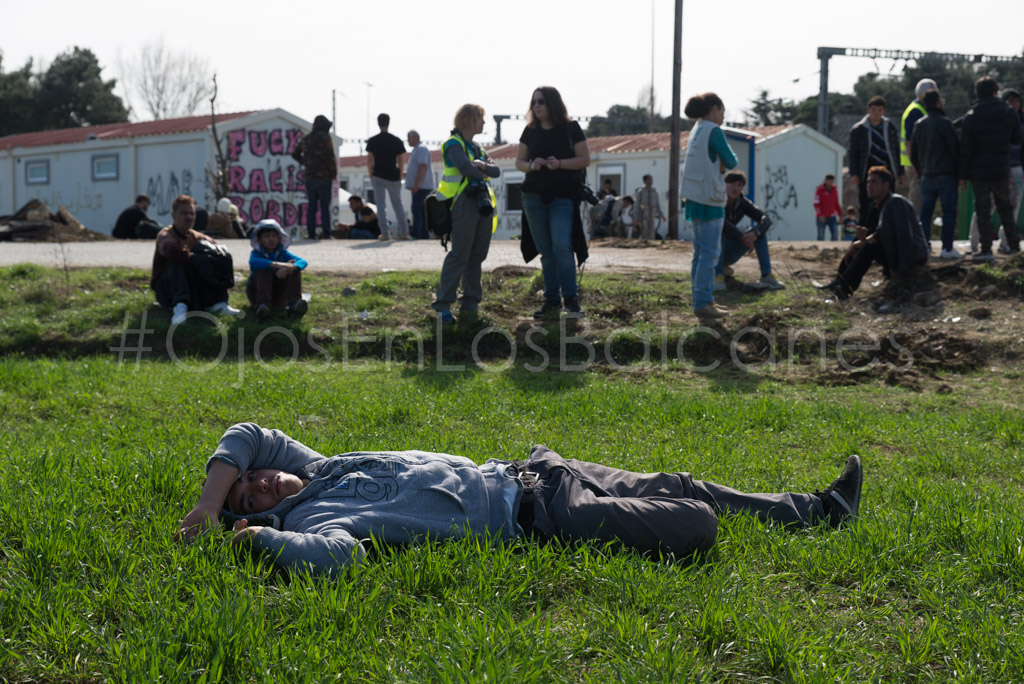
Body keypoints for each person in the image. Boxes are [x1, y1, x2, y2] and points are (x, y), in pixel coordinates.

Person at [176, 422, 864, 575]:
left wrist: (211, 503)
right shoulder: (320, 515)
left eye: (254, 477)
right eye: (252, 498)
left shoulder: (320, 468)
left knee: (683, 482)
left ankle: (815, 510)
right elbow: (335, 558)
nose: (261, 485)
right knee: (695, 522)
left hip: (531, 470)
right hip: (536, 516)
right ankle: (715, 521)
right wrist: (260, 538)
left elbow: (248, 432)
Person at [516, 86, 591, 319]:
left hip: (562, 196)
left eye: (541, 102)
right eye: (534, 102)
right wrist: (532, 165)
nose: (536, 106)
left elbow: (584, 159)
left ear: (553, 103)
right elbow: (519, 162)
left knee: (562, 246)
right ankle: (551, 300)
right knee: (546, 251)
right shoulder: (530, 130)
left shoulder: (571, 128)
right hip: (533, 197)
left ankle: (571, 301)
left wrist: (559, 163)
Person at [431, 104, 500, 324]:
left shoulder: (477, 147)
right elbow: (466, 169)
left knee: (477, 255)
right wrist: (481, 167)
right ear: (469, 120)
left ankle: (470, 302)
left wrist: (480, 165)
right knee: (460, 254)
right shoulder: (453, 144)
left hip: (482, 204)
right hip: (463, 203)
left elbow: (496, 170)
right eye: (481, 118)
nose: (484, 123)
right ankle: (443, 305)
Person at [824, 166, 930, 300]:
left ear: (886, 185)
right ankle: (839, 282)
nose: (869, 186)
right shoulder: (875, 206)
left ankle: (843, 292)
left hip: (911, 259)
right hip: (895, 254)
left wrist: (899, 274)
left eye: (874, 182)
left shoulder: (896, 202)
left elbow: (904, 238)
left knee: (867, 247)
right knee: (859, 242)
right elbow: (875, 233)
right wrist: (860, 240)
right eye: (868, 182)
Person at [681, 91, 738, 319]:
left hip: (694, 197)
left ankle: (699, 299)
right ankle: (704, 302)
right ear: (714, 108)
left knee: (700, 253)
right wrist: (724, 162)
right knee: (709, 253)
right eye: (722, 111)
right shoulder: (714, 130)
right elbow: (732, 160)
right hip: (710, 198)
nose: (723, 116)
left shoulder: (696, 130)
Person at [150, 195, 241, 326]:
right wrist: (199, 260)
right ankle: (180, 307)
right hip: (167, 291)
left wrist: (211, 255)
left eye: (191, 213)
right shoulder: (165, 235)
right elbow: (171, 250)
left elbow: (216, 247)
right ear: (173, 215)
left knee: (211, 253)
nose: (189, 217)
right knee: (177, 260)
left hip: (190, 287)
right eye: (184, 213)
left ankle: (218, 303)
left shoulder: (195, 235)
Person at [961, 77, 1023, 261]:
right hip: (1002, 169)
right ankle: (1014, 247)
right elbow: (1017, 140)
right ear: (996, 91)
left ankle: (986, 249)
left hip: (979, 171)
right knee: (1005, 208)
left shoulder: (971, 115)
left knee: (982, 210)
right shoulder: (1009, 113)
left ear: (977, 93)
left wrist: (962, 175)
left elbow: (966, 149)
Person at [910, 89, 961, 259]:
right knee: (948, 212)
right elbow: (955, 150)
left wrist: (919, 171)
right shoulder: (945, 123)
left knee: (925, 213)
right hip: (946, 175)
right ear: (938, 102)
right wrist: (960, 173)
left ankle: (924, 247)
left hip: (926, 176)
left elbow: (914, 153)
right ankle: (947, 249)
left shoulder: (919, 124)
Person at [714, 171, 783, 292]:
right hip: (711, 251)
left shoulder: (742, 202)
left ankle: (766, 275)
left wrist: (755, 234)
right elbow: (722, 223)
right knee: (720, 230)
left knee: (760, 233)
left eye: (740, 185)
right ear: (725, 184)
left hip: (729, 251)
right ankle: (717, 276)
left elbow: (765, 219)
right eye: (732, 184)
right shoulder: (716, 200)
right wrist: (742, 237)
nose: (736, 188)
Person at [848, 96, 903, 221]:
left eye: (879, 110)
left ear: (884, 111)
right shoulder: (859, 129)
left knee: (888, 204)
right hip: (866, 173)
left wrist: (900, 172)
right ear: (868, 110)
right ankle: (865, 234)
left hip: (886, 172)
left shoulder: (890, 127)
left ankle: (886, 235)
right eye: (874, 109)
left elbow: (895, 151)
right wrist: (854, 173)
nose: (876, 113)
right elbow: (853, 153)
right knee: (866, 204)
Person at [246, 218, 309, 323]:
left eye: (274, 236)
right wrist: (279, 266)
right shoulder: (256, 253)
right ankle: (262, 308)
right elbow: (254, 262)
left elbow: (302, 261)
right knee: (263, 269)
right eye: (266, 236)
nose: (271, 239)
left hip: (279, 296)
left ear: (279, 238)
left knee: (293, 266)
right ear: (260, 240)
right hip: (258, 295)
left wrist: (289, 267)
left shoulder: (283, 253)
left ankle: (294, 305)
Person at [291, 114, 338, 240]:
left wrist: (305, 163)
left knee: (311, 207)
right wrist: (333, 174)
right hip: (324, 177)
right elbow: (330, 157)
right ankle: (326, 233)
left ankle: (311, 233)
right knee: (324, 207)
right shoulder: (325, 138)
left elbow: (295, 153)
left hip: (310, 177)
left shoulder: (306, 139)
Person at [366, 113, 409, 241]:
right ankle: (405, 232)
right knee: (397, 204)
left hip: (378, 175)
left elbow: (369, 159)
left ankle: (385, 233)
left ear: (378, 123)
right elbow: (400, 159)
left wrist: (370, 174)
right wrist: (400, 174)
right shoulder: (396, 140)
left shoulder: (373, 140)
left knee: (380, 205)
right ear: (388, 123)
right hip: (393, 176)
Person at [900, 78, 939, 213]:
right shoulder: (917, 111)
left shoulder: (917, 109)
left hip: (916, 162)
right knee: (917, 201)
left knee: (919, 199)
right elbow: (909, 140)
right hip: (916, 163)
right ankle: (913, 231)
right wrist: (915, 165)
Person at [405, 130, 435, 240]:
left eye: (409, 138)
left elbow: (422, 167)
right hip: (421, 186)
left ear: (415, 138)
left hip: (422, 186)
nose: (407, 140)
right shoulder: (418, 149)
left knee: (417, 210)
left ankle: (417, 233)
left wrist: (416, 184)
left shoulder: (421, 149)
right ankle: (423, 234)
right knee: (421, 211)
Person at [635, 174, 665, 241]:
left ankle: (651, 243)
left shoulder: (654, 192)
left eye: (651, 179)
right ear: (645, 181)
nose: (651, 181)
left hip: (652, 215)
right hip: (643, 215)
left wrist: (662, 215)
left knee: (652, 230)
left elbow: (657, 205)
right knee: (644, 229)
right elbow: (637, 205)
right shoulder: (641, 192)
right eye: (649, 179)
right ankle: (644, 242)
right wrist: (636, 218)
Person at [813, 174, 843, 241]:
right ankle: (820, 250)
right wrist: (820, 215)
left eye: (832, 181)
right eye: (830, 181)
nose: (831, 183)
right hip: (821, 217)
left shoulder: (834, 190)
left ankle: (834, 249)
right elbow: (816, 203)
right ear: (826, 180)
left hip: (832, 216)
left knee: (835, 233)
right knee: (821, 235)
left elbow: (836, 204)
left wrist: (840, 215)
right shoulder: (820, 189)